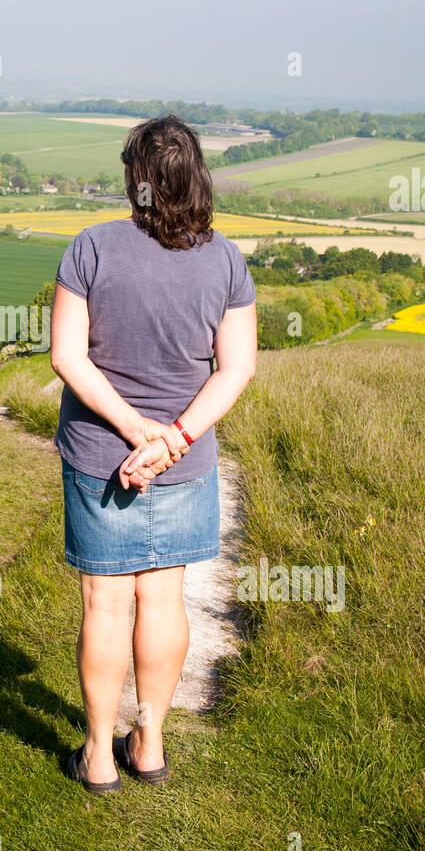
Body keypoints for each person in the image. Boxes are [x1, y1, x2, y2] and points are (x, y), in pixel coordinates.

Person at [49, 115, 257, 794]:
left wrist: (135, 431)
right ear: (195, 176)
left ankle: (98, 756)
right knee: (164, 601)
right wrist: (171, 439)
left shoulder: (92, 248)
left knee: (105, 606)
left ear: (134, 178)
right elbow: (235, 371)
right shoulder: (225, 259)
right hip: (183, 464)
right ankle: (150, 746)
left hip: (97, 455)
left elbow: (66, 357)